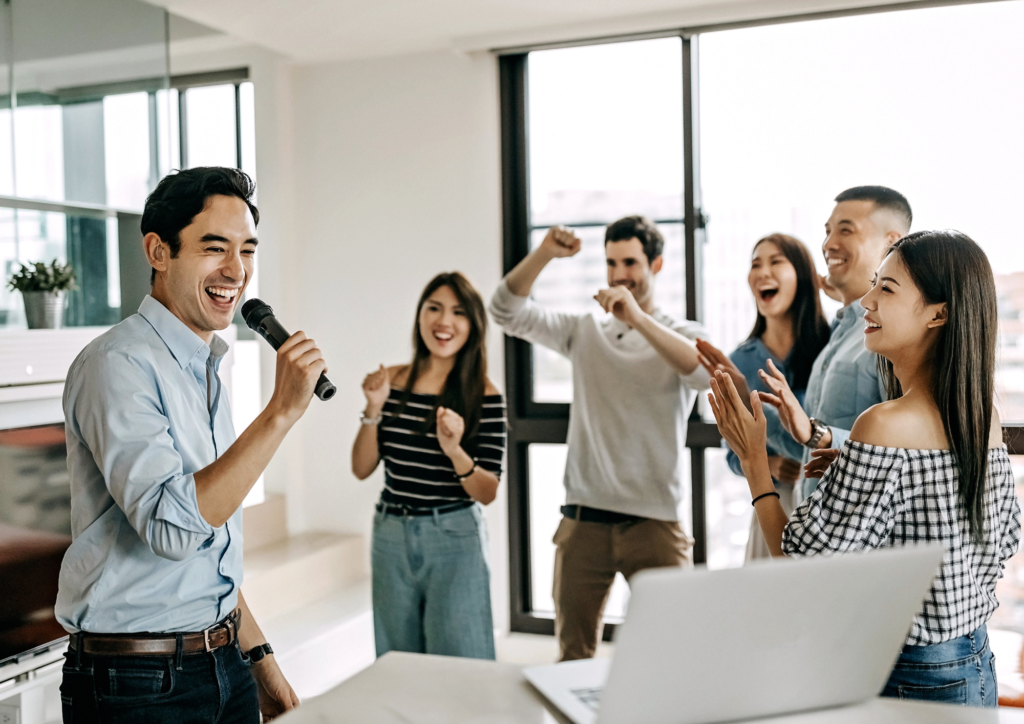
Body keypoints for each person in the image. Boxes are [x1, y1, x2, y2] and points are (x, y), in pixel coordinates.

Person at [709, 230, 1021, 707]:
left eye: (887, 289)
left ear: (939, 312)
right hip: (973, 662)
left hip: (905, 672)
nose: (867, 302)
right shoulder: (982, 416)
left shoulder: (884, 424)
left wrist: (754, 462)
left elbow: (798, 565)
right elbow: (1001, 539)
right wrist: (853, 463)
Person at [58, 168, 315, 722]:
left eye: (247, 250)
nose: (236, 271)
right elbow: (172, 531)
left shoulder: (205, 366)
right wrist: (281, 413)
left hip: (223, 662)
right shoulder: (117, 366)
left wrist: (257, 656)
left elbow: (208, 547)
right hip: (138, 684)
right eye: (214, 247)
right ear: (158, 251)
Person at [489, 215, 710, 661]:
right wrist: (545, 253)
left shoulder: (682, 334)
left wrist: (639, 318)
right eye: (611, 263)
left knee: (673, 653)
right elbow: (504, 311)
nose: (619, 274)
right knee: (573, 655)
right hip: (584, 520)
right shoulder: (584, 332)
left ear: (657, 265)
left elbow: (704, 373)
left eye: (629, 261)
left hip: (654, 523)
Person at [703, 186, 912, 505]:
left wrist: (817, 434)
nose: (829, 244)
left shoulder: (888, 336)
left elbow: (905, 452)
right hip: (817, 528)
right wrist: (748, 401)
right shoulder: (838, 340)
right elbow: (806, 446)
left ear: (891, 242)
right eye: (827, 232)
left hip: (862, 540)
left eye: (845, 230)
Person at [351, 272, 506, 660]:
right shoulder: (393, 381)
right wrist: (373, 407)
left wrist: (454, 450)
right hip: (390, 533)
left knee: (461, 663)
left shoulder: (483, 394)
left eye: (458, 312)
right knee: (397, 661)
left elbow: (487, 491)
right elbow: (361, 467)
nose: (444, 321)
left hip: (453, 536)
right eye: (433, 308)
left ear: (473, 325)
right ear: (420, 316)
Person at [696, 234, 830, 560]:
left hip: (829, 507)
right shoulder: (740, 361)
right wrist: (769, 464)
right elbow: (732, 450)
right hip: (771, 501)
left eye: (775, 261)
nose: (762, 271)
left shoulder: (831, 349)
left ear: (802, 273)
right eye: (756, 264)